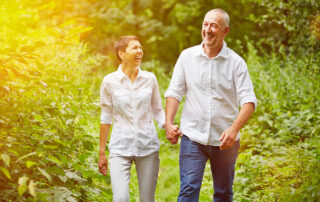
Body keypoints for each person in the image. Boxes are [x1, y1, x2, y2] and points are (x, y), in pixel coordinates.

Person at [164, 8, 257, 202]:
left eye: (214, 25)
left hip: (225, 142)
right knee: (188, 190)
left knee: (223, 194)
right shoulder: (187, 57)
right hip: (192, 137)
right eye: (205, 24)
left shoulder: (236, 63)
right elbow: (174, 92)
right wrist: (169, 122)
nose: (208, 29)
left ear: (225, 31)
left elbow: (249, 102)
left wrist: (233, 130)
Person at [98, 35, 165, 202]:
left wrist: (167, 126)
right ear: (122, 54)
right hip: (120, 147)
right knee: (120, 198)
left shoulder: (150, 79)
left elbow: (157, 110)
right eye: (135, 48)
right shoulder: (109, 82)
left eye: (141, 48)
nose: (140, 51)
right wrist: (101, 152)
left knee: (148, 199)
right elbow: (106, 116)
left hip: (147, 146)